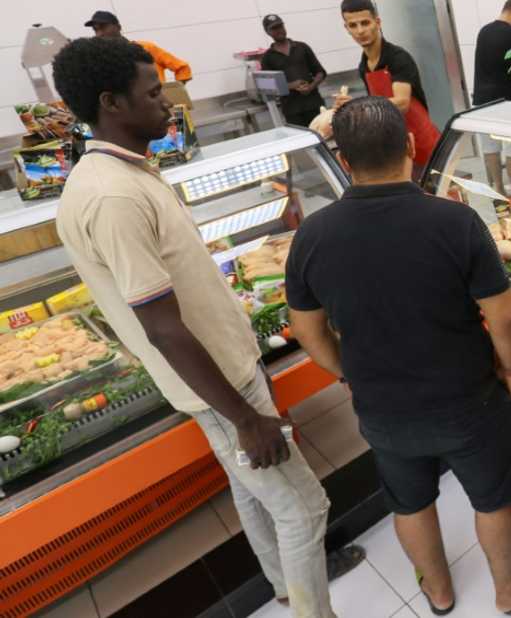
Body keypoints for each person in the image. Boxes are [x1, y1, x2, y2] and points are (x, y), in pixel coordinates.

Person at [52, 37, 363, 618]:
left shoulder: (122, 171)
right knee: (305, 508)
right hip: (219, 387)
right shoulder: (113, 195)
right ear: (110, 102)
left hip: (227, 368)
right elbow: (163, 328)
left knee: (252, 491)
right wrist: (245, 417)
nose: (168, 103)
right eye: (152, 93)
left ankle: (281, 584)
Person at [287, 96, 511, 616]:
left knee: (409, 500)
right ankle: (510, 589)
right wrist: (510, 370)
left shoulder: (312, 235)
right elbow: (502, 317)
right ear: (411, 145)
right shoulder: (455, 222)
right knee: (492, 496)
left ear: (343, 161)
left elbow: (307, 330)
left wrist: (348, 371)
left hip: (383, 406)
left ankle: (437, 591)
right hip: (469, 398)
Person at [337, 0, 441, 173]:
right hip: (396, 145)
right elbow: (376, 107)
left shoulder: (397, 58)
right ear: (346, 28)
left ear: (377, 22)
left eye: (365, 23)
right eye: (353, 25)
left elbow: (402, 103)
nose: (360, 31)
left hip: (424, 142)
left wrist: (356, 106)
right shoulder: (364, 66)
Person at [473, 0, 511, 202]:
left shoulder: (484, 32)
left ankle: (498, 190)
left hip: (481, 101)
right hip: (507, 102)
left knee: (490, 148)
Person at [84, 10, 192, 84]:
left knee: (181, 115)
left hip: (168, 108)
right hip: (139, 115)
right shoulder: (103, 60)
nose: (99, 34)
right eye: (96, 30)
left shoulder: (146, 47)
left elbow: (182, 68)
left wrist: (176, 94)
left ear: (118, 27)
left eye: (103, 27)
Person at [259, 14, 327, 128]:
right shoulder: (267, 57)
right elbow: (269, 87)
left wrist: (311, 86)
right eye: (274, 28)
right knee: (302, 143)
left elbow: (320, 72)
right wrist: (291, 86)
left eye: (280, 26)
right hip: (292, 110)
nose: (279, 30)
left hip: (315, 104)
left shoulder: (302, 47)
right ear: (267, 32)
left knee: (323, 138)